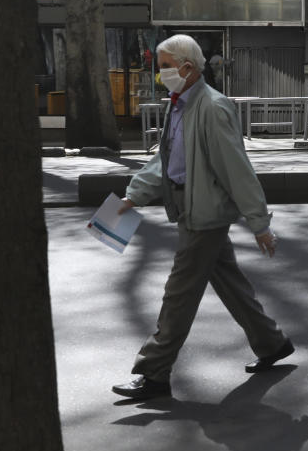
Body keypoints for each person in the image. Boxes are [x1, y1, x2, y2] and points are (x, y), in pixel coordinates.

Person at [111, 34, 293, 401]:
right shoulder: (178, 105)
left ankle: (154, 372)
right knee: (228, 281)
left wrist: (259, 224)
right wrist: (134, 195)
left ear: (187, 68)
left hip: (204, 214)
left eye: (165, 66)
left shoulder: (212, 107)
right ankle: (271, 344)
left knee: (178, 295)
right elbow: (166, 160)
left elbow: (236, 170)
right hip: (188, 207)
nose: (161, 73)